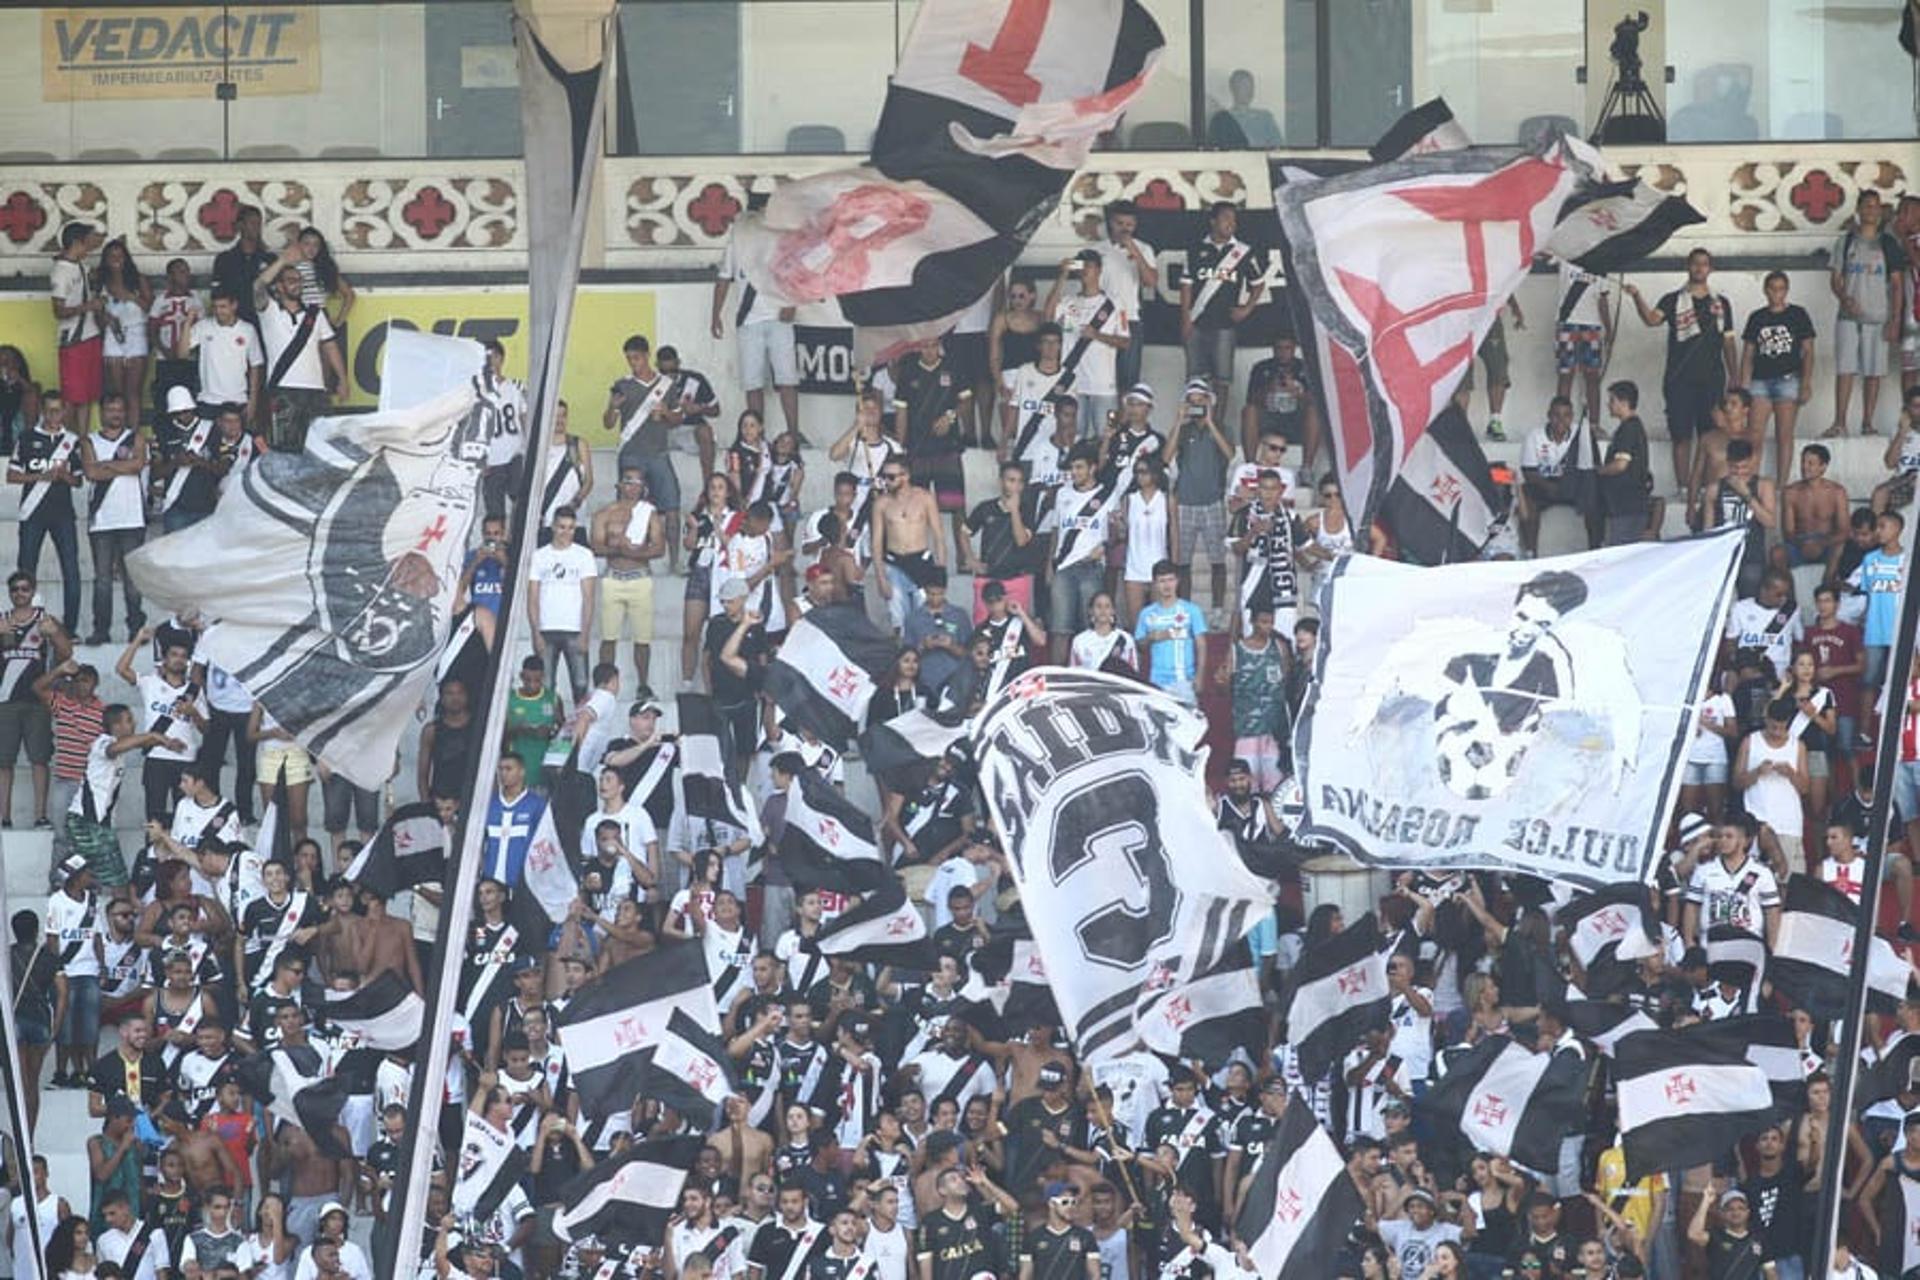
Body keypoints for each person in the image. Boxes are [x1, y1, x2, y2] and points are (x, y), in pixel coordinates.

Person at [1624, 248, 1739, 506]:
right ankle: (1685, 488)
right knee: (1681, 436)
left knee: (1710, 436)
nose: (1699, 268)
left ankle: (1709, 487)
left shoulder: (1721, 303)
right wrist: (1637, 297)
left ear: (1711, 269)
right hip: (1679, 380)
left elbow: (1729, 342)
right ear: (1688, 267)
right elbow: (1652, 320)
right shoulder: (1672, 300)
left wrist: (1735, 376)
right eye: (1695, 264)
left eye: (1704, 264)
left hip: (1713, 379)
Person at [713, 209, 802, 443]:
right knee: (752, 382)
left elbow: (797, 274)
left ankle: (793, 433)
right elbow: (723, 279)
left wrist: (792, 303)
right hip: (748, 320)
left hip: (779, 317)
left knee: (787, 379)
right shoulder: (736, 242)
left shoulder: (781, 239)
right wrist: (716, 316)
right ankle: (756, 437)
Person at [1828, 190, 1908, 439]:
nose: (1871, 211)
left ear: (1881, 211)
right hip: (1848, 317)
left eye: (1876, 206)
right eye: (1867, 206)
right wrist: (1844, 298)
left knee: (1873, 373)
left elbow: (1896, 285)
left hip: (1878, 317)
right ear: (1859, 209)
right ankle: (1839, 422)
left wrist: (1895, 319)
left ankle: (1867, 423)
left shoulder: (1888, 244)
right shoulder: (1846, 242)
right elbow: (1835, 279)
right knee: (1845, 370)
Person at [1, 570, 73, 829]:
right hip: (5, 699)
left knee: (40, 759)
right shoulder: (2, 621)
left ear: (32, 591)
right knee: (3, 761)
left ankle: (40, 815)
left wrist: (54, 633)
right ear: (9, 593)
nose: (20, 593)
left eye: (24, 589)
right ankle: (4, 817)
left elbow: (66, 653)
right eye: (15, 589)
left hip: (37, 699)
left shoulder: (45, 619)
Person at [252, 252, 345, 452]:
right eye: (290, 280)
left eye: (299, 280)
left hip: (316, 391)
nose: (297, 284)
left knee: (324, 449)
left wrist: (343, 379)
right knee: (287, 451)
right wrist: (284, 260)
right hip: (283, 390)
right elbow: (258, 286)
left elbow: (330, 345)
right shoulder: (269, 311)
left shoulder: (315, 313)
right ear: (278, 286)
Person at [9, 388, 84, 636]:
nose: (53, 415)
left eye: (57, 410)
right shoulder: (27, 437)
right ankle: (22, 625)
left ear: (64, 411)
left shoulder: (72, 441)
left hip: (63, 514)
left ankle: (70, 629)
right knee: (26, 571)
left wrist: (64, 476)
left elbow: (79, 481)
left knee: (71, 571)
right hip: (33, 514)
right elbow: (12, 475)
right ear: (42, 411)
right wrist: (40, 476)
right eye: (49, 410)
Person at [1180, 202, 1265, 417]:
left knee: (1222, 380)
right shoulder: (1195, 249)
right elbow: (1186, 285)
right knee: (1195, 379)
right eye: (1226, 218)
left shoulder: (1243, 252)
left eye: (1233, 220)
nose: (1231, 223)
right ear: (1213, 221)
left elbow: (1259, 283)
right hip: (1197, 323)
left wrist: (1247, 309)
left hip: (1225, 326)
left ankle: (1215, 426)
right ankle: (1194, 426)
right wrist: (1186, 319)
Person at [78, 392, 147, 645]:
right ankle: (101, 630)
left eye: (119, 409)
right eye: (111, 410)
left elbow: (138, 464)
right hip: (102, 520)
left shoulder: (136, 437)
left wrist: (105, 465)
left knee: (133, 582)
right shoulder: (88, 440)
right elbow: (90, 472)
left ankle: (136, 629)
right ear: (102, 412)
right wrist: (121, 466)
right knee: (103, 581)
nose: (115, 414)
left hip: (132, 518)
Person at [590, 467, 666, 688]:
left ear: (643, 487)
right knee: (608, 638)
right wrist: (620, 549)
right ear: (619, 485)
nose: (632, 487)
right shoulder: (605, 513)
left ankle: (643, 684)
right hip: (613, 578)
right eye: (628, 481)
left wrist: (632, 552)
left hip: (639, 578)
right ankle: (604, 685)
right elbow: (595, 546)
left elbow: (660, 548)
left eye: (637, 482)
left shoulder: (648, 513)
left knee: (642, 640)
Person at [1164, 376, 1234, 616]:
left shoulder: (1222, 428)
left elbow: (1230, 453)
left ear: (1210, 403)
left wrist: (1211, 422)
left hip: (1213, 501)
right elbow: (1166, 457)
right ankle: (1184, 609)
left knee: (1218, 561)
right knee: (1182, 563)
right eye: (1192, 401)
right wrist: (1178, 419)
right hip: (1185, 502)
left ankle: (1217, 609)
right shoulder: (1182, 430)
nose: (1196, 406)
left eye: (1200, 401)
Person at [1741, 270, 1818, 483]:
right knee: (1754, 435)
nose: (1777, 293)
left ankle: (1782, 485)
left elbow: (1809, 351)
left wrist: (1806, 383)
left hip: (1788, 379)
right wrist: (1744, 386)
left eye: (1781, 288)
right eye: (1773, 288)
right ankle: (1752, 482)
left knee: (1784, 435)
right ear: (1766, 290)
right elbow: (1748, 354)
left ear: (1787, 290)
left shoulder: (1798, 314)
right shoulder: (1757, 317)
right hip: (1759, 382)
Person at [1044, 250, 1130, 440]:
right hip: (1074, 384)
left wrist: (1097, 335)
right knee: (1072, 436)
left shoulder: (1115, 303)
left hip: (1105, 386)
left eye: (1089, 266)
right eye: (1081, 266)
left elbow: (1125, 342)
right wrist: (1063, 275)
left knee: (1108, 435)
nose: (1085, 271)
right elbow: (1047, 318)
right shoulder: (1068, 302)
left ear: (1099, 270)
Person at [528, 505, 599, 705]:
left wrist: (585, 633)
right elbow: (532, 597)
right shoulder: (539, 556)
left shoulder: (584, 555)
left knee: (581, 683)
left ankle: (580, 732)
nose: (566, 532)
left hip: (574, 629)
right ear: (553, 526)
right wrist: (535, 632)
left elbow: (588, 598)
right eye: (561, 527)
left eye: (570, 528)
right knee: (546, 686)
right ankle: (549, 729)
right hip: (546, 628)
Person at [872, 458, 946, 634]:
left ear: (905, 476)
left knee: (925, 618)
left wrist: (941, 571)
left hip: (921, 561)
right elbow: (876, 542)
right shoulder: (881, 503)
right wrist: (880, 577)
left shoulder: (925, 498)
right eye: (884, 476)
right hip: (894, 563)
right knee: (899, 621)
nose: (886, 481)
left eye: (891, 477)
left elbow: (938, 537)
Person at [177, 285, 263, 430]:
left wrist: (253, 401)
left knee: (236, 448)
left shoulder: (248, 330)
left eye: (223, 306)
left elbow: (256, 366)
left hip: (237, 400)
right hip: (208, 400)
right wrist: (188, 322)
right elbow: (181, 354)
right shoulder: (204, 326)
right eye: (215, 307)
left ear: (234, 305)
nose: (218, 311)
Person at [50, 222, 105, 436]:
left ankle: (82, 441)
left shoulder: (80, 265)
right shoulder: (61, 272)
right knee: (72, 398)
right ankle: (69, 441)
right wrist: (89, 306)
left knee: (87, 397)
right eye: (89, 240)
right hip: (73, 340)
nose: (92, 245)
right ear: (77, 242)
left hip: (90, 337)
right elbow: (58, 311)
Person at [1134, 560, 1208, 706]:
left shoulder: (1192, 610)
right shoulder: (1146, 614)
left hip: (1184, 680)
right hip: (1157, 681)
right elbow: (1139, 645)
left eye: (1170, 580)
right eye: (1162, 581)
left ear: (1177, 581)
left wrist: (1200, 676)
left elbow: (1201, 645)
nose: (1167, 585)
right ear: (1154, 583)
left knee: (1187, 725)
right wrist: (1151, 637)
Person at [1554, 262, 1616, 425]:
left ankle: (1594, 424)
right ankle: (1561, 424)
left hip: (1592, 325)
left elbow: (1603, 300)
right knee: (1566, 375)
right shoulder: (1566, 258)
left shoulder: (1601, 264)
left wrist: (1608, 329)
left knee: (1592, 376)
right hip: (1568, 322)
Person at [1596, 380, 1652, 546]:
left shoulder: (1628, 429)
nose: (1609, 405)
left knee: (1621, 553)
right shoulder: (1632, 428)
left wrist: (1599, 471)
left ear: (1624, 402)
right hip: (1627, 504)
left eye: (1612, 400)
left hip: (1627, 505)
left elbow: (1620, 464)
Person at [1782, 444, 1851, 574]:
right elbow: (1788, 532)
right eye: (1803, 462)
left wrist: (1821, 544)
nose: (1804, 467)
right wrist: (1803, 545)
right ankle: (1790, 594)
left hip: (1827, 543)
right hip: (1800, 543)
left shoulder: (1837, 492)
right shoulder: (1790, 492)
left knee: (1841, 549)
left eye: (1810, 463)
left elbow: (1844, 530)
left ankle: (1827, 591)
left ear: (1823, 467)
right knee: (1777, 553)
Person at [1208, 68, 1283, 147]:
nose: (1249, 91)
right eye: (1244, 86)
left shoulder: (1265, 118)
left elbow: (1278, 146)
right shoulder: (1221, 120)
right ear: (1233, 89)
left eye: (1251, 86)